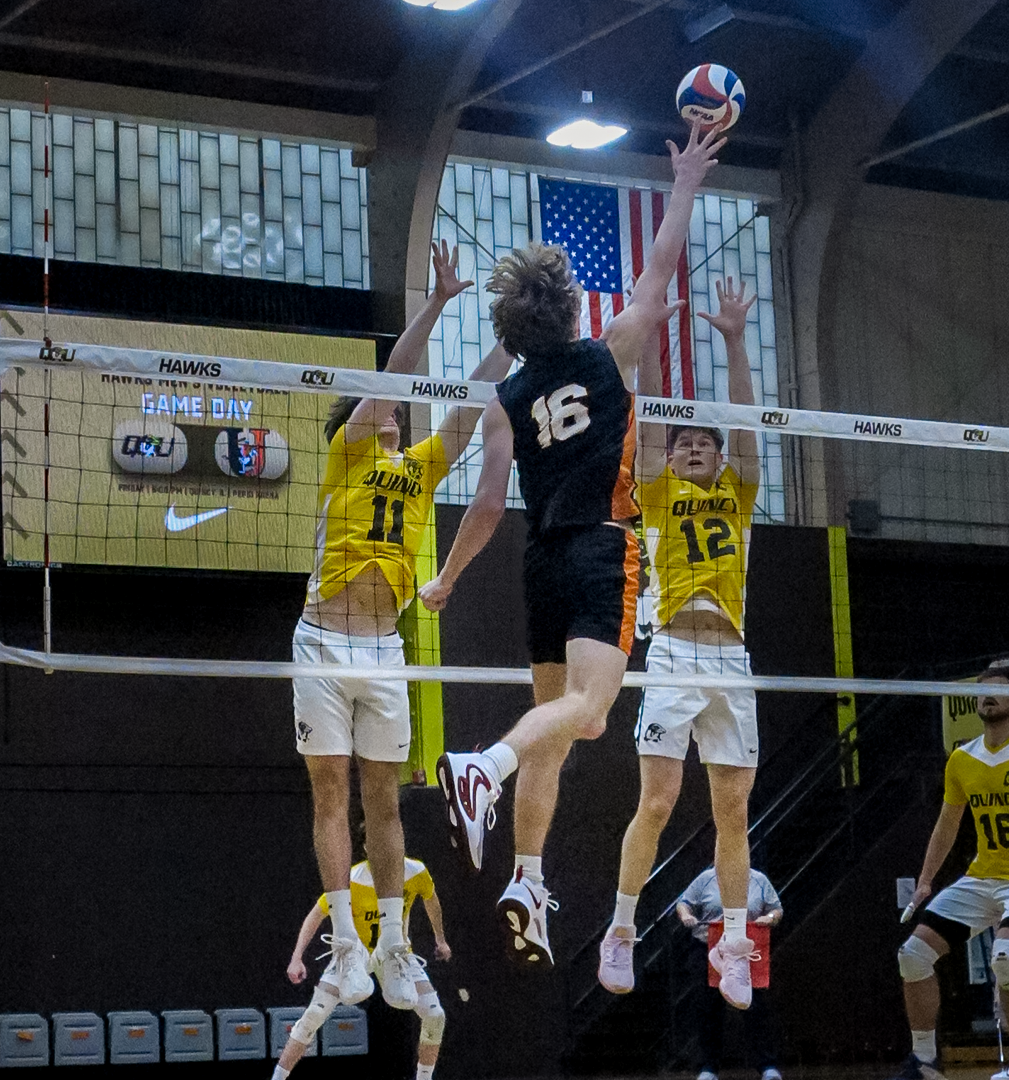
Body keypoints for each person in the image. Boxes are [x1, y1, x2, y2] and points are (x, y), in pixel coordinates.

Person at [419, 123, 728, 972]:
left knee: (556, 729)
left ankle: (526, 879)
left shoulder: (504, 396)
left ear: (511, 329)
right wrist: (687, 182)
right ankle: (481, 767)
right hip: (602, 548)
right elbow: (659, 272)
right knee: (587, 716)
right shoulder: (608, 351)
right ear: (568, 308)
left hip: (539, 562)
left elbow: (485, 506)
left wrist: (445, 579)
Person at [293, 239, 512, 1007]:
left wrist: (512, 336)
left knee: (384, 799)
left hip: (385, 647)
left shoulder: (418, 466)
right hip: (322, 641)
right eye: (379, 414)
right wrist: (438, 302)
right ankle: (345, 949)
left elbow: (474, 399)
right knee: (330, 794)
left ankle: (393, 944)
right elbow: (390, 383)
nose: (390, 421)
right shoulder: (348, 456)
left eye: (393, 420)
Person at [601, 275, 762, 1001]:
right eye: (685, 443)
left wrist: (732, 339)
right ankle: (622, 929)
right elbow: (656, 414)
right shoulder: (659, 494)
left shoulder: (740, 490)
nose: (694, 448)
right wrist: (655, 335)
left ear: (720, 459)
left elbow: (748, 424)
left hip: (732, 657)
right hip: (672, 653)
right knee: (659, 803)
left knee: (733, 812)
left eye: (706, 443)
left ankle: (733, 940)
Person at [891, 663, 1009, 1080]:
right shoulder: (962, 759)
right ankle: (923, 1058)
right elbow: (947, 825)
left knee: (1006, 958)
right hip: (981, 878)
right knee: (913, 955)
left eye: (997, 691)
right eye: (982, 692)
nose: (987, 697)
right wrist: (925, 880)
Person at [277, 857, 452, 1080]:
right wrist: (296, 957)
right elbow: (317, 912)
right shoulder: (353, 879)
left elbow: (431, 900)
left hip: (394, 953)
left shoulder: (415, 872)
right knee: (314, 1014)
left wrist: (441, 939)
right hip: (356, 954)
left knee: (435, 1015)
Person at [676, 864, 784, 1080]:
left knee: (755, 1008)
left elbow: (777, 909)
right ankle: (709, 1068)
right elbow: (683, 903)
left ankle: (767, 1066)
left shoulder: (759, 879)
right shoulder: (706, 878)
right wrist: (686, 915)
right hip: (708, 948)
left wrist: (770, 918)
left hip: (746, 949)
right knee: (708, 1009)